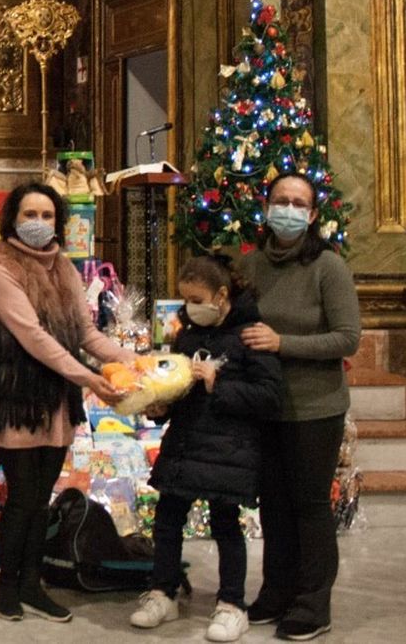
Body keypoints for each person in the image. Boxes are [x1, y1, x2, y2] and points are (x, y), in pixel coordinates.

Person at [0, 181, 135, 623]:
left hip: (56, 399)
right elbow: (33, 337)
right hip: (17, 398)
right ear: (12, 219)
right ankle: (9, 585)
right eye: (30, 215)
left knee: (41, 498)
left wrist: (133, 360)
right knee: (23, 498)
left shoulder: (63, 268)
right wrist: (90, 378)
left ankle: (32, 583)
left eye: (48, 216)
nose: (40, 224)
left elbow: (85, 333)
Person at [235, 172, 361, 642]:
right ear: (267, 208)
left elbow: (348, 338)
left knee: (308, 507)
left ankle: (313, 603)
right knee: (273, 507)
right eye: (279, 200)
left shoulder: (329, 267)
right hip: (265, 404)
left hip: (314, 407)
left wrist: (281, 342)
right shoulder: (252, 266)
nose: (286, 208)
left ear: (311, 216)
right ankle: (276, 591)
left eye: (297, 203)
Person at [131, 255, 282, 642]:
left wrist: (219, 384)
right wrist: (161, 405)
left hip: (229, 451)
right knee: (166, 519)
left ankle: (232, 604)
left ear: (221, 294)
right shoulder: (188, 334)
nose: (190, 307)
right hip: (184, 444)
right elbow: (178, 383)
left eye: (197, 299)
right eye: (184, 299)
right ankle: (163, 593)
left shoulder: (251, 334)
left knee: (225, 525)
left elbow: (268, 396)